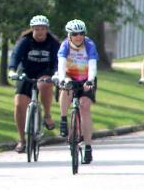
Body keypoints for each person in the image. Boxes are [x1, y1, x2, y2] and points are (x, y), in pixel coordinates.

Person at [8, 15, 61, 153]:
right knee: (19, 104)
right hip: (26, 73)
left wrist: (56, 73)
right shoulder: (25, 41)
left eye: (42, 29)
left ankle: (47, 115)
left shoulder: (53, 43)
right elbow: (15, 56)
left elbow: (58, 60)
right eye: (37, 29)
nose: (40, 32)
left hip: (45, 72)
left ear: (46, 29)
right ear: (32, 29)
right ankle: (22, 140)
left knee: (44, 84)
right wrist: (12, 70)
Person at [56, 19, 98, 164]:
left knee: (85, 107)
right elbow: (61, 64)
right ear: (69, 35)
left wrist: (90, 80)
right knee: (65, 89)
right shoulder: (65, 45)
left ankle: (87, 147)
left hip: (86, 78)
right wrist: (62, 79)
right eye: (75, 34)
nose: (78, 37)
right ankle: (63, 119)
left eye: (81, 33)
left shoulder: (89, 44)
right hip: (69, 76)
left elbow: (92, 64)